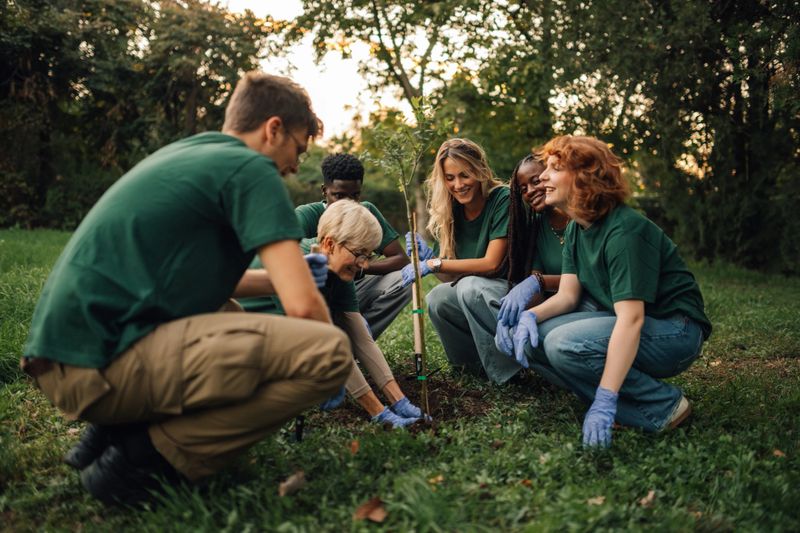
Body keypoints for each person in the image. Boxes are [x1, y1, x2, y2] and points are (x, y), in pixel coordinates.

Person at [20, 72, 352, 505]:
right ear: (273, 128)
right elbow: (304, 311)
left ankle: (117, 428)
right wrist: (333, 363)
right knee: (327, 352)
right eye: (298, 149)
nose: (295, 165)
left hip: (66, 357)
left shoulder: (192, 152)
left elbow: (203, 280)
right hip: (98, 368)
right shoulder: (252, 168)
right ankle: (144, 458)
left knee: (229, 311)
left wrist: (280, 275)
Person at [498, 135, 711, 447]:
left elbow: (632, 319)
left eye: (555, 168)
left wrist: (606, 398)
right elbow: (568, 296)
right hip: (631, 323)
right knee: (532, 337)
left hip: (676, 331)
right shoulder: (576, 227)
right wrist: (528, 315)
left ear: (585, 177)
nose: (543, 176)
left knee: (563, 343)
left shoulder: (624, 230)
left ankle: (661, 404)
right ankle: (628, 407)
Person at [240, 200, 427, 427]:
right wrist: (380, 413)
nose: (365, 265)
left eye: (368, 256)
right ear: (329, 244)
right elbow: (325, 343)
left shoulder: (339, 269)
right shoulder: (294, 261)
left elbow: (362, 339)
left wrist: (400, 401)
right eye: (360, 254)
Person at [402, 138, 511, 382]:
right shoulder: (450, 208)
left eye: (465, 175)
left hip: (506, 292)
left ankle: (507, 372)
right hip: (472, 291)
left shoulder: (502, 198)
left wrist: (433, 264)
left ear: (480, 171)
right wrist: (429, 257)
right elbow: (448, 276)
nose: (458, 185)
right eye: (450, 178)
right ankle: (470, 370)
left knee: (469, 286)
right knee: (437, 298)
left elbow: (491, 264)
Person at [294, 153, 411, 339]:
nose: (348, 204)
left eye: (354, 196)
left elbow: (401, 259)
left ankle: (354, 341)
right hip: (318, 291)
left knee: (404, 281)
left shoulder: (367, 213)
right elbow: (290, 260)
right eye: (339, 196)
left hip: (353, 286)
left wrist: (356, 265)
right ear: (325, 191)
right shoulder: (305, 216)